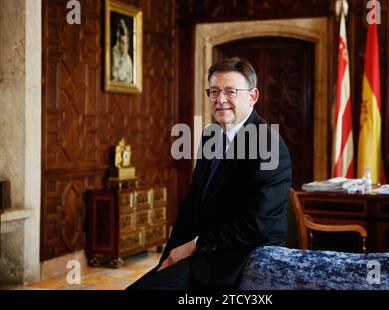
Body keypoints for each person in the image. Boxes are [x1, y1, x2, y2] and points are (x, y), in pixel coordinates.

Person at [127, 57, 292, 290]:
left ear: (253, 97)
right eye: (214, 91)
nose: (220, 100)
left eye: (230, 91)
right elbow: (192, 205)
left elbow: (256, 225)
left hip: (237, 256)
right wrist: (169, 256)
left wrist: (194, 245)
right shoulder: (211, 136)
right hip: (202, 250)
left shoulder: (268, 144)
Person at [111, 19, 133, 83]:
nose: (122, 45)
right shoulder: (115, 52)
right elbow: (114, 74)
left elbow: (129, 78)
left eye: (124, 43)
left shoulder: (128, 59)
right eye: (120, 42)